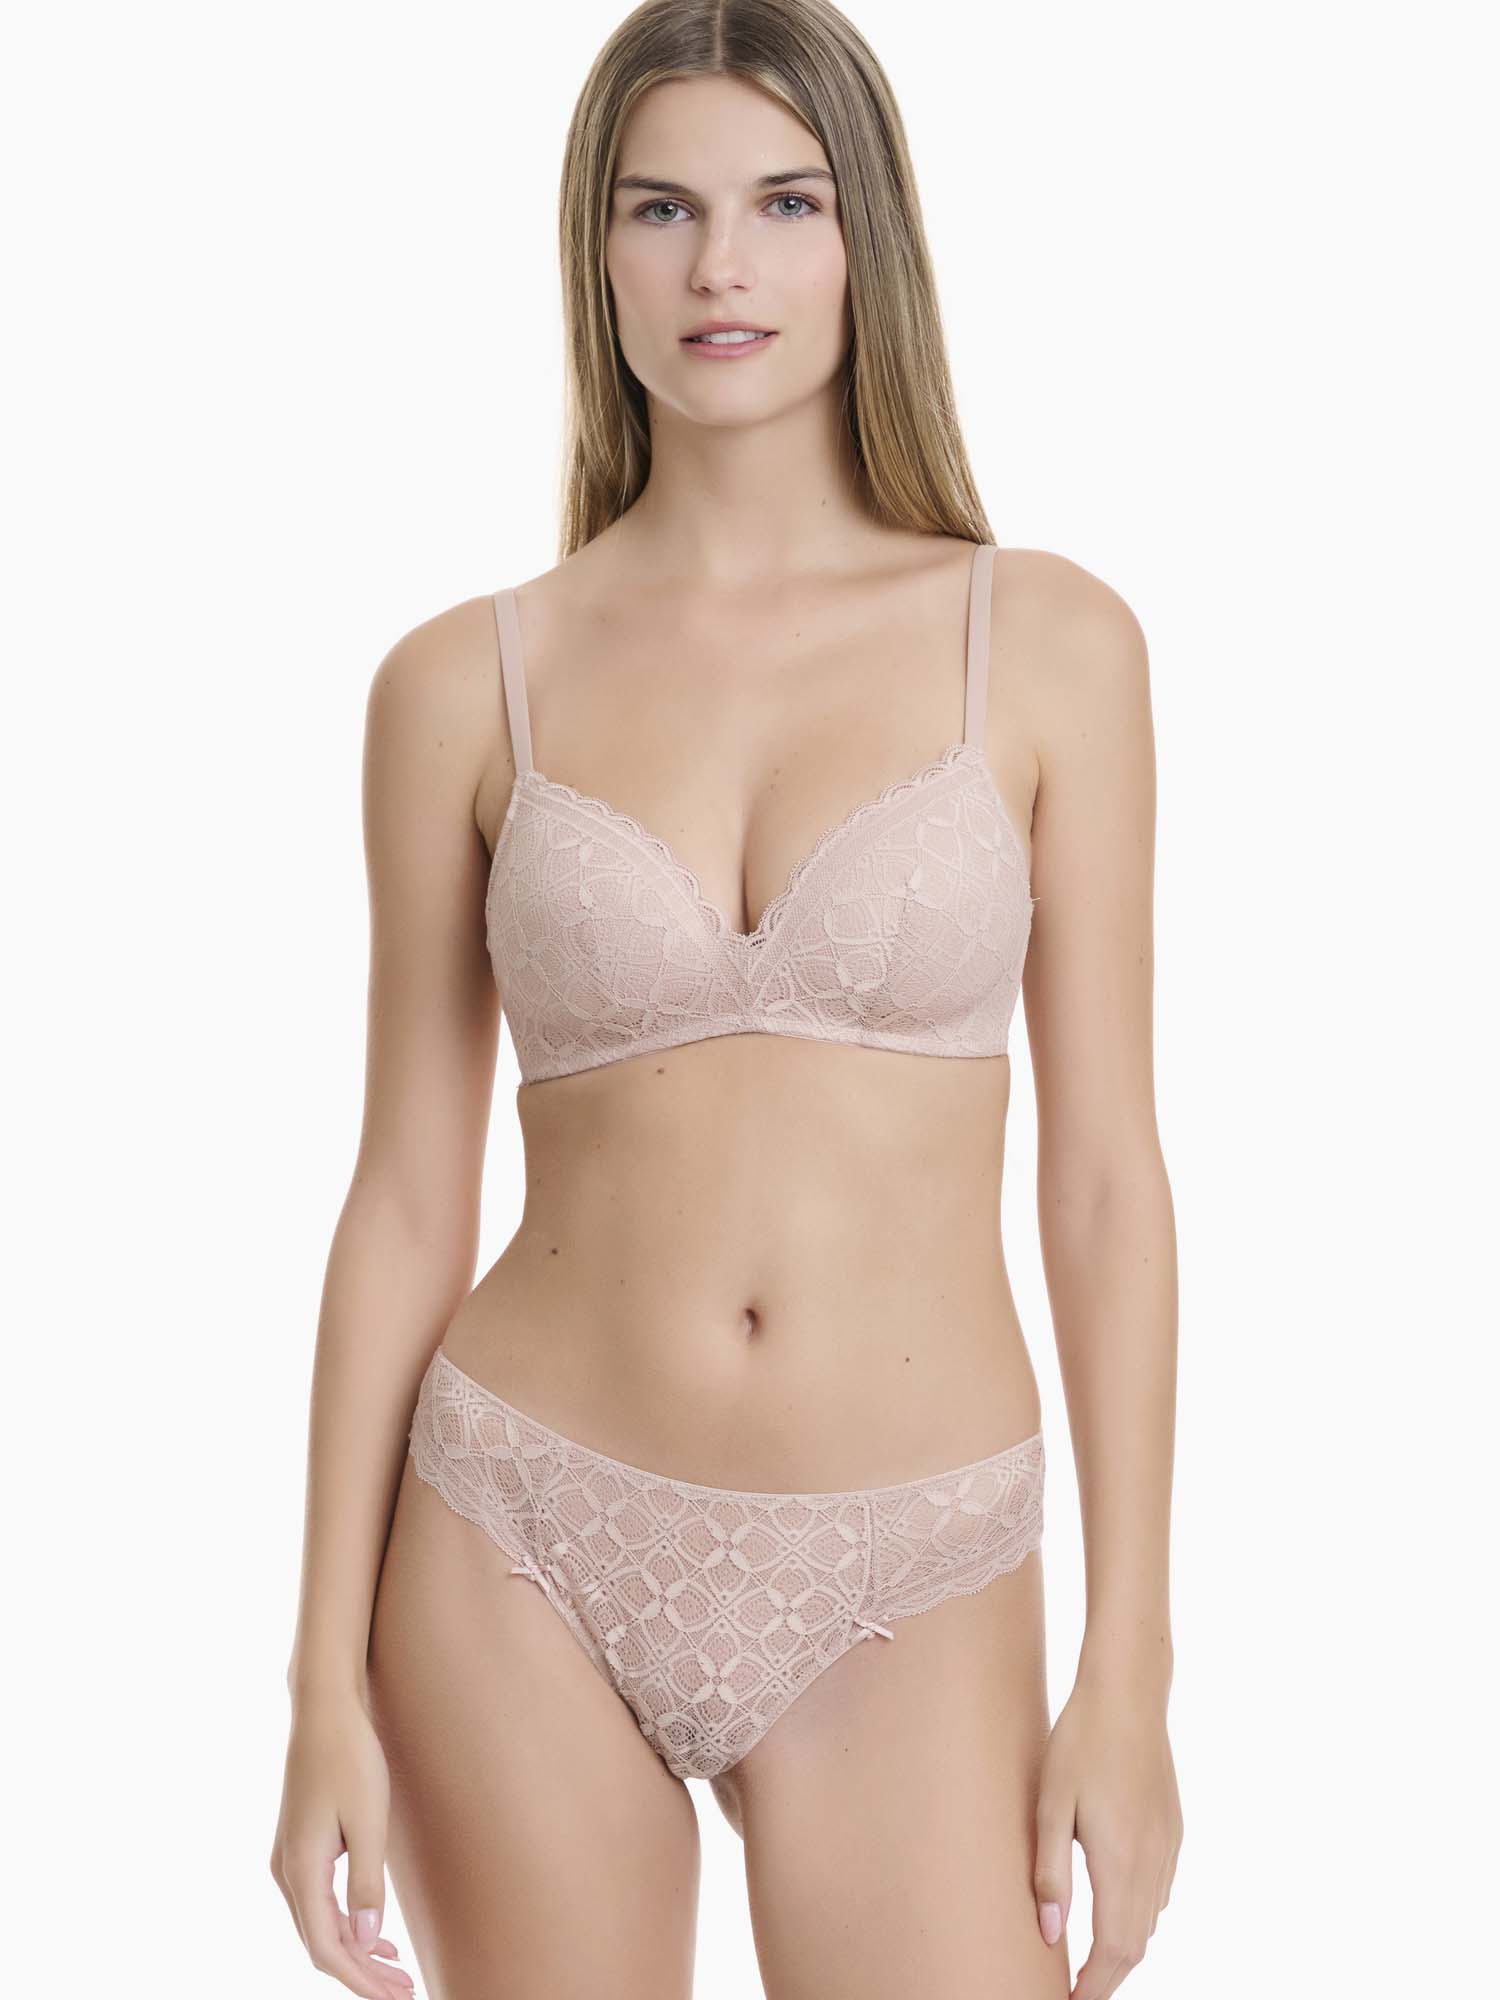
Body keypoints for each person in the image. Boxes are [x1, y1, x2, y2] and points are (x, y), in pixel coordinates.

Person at [269, 4, 1183, 1995]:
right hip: (518, 1522)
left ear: (870, 242)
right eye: (660, 208)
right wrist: (317, 1677)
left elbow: (1108, 1179)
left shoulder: (1044, 645)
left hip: (910, 1561)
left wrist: (1131, 1669)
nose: (720, 269)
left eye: (785, 202)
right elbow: (404, 1197)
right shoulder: (461, 685)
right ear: (594, 254)